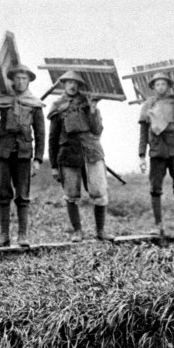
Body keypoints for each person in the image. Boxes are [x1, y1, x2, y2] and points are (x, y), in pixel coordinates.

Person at [0, 64, 45, 247]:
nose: (21, 82)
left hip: (23, 153)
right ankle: (3, 235)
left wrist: (37, 159)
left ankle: (22, 235)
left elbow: (40, 133)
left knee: (23, 195)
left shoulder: (34, 103)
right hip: (2, 152)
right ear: (12, 80)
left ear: (29, 81)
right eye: (17, 78)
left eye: (24, 78)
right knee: (3, 193)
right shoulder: (3, 99)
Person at [47, 70, 112, 242]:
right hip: (68, 154)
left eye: (76, 83)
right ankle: (77, 231)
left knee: (99, 192)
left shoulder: (88, 103)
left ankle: (101, 231)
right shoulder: (57, 106)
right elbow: (52, 138)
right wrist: (54, 165)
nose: (72, 86)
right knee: (71, 194)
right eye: (69, 82)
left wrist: (92, 109)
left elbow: (97, 130)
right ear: (64, 84)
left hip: (92, 152)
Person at [138, 72, 174, 238]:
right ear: (153, 87)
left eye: (164, 84)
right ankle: (158, 225)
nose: (161, 87)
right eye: (157, 84)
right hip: (157, 150)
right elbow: (143, 132)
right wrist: (141, 154)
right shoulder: (148, 105)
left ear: (168, 85)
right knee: (155, 188)